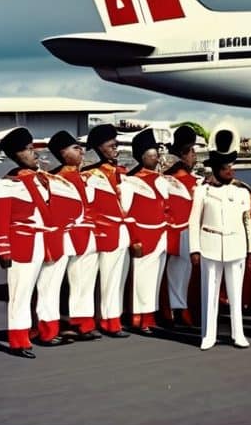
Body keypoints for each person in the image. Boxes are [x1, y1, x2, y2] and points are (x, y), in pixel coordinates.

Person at [0, 127, 68, 358]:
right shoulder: (8, 183)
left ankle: (48, 331)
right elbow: (0, 219)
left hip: (50, 240)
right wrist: (4, 249)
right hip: (23, 242)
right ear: (16, 155)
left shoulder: (44, 179)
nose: (34, 153)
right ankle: (19, 340)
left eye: (32, 148)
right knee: (20, 293)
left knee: (50, 289)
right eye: (27, 150)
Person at [189, 127, 251, 350]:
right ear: (217, 169)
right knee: (209, 292)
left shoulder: (242, 192)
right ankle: (208, 335)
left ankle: (238, 334)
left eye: (232, 167)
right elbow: (193, 221)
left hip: (236, 245)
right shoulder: (202, 191)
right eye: (226, 168)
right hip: (209, 244)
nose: (231, 172)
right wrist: (194, 249)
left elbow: (250, 223)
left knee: (236, 293)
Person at [48, 131, 101, 341]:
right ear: (62, 153)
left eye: (81, 147)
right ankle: (65, 323)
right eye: (75, 148)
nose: (82, 151)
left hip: (89, 235)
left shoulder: (86, 176)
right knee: (66, 283)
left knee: (86, 282)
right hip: (69, 236)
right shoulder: (56, 179)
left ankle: (84, 323)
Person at [82, 124, 131, 338]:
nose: (115, 146)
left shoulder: (118, 171)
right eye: (111, 143)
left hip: (121, 233)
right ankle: (99, 321)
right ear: (99, 147)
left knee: (116, 280)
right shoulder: (90, 174)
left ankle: (113, 319)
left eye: (116, 142)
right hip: (102, 233)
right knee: (97, 280)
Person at [121, 128, 170, 334]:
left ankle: (150, 316)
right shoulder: (130, 181)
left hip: (161, 235)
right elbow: (126, 212)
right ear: (142, 157)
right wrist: (135, 239)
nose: (156, 158)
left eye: (156, 154)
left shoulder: (161, 179)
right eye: (151, 154)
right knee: (142, 279)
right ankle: (138, 318)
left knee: (155, 279)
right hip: (143, 235)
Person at [161, 125, 202, 327]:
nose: (195, 156)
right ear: (185, 153)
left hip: (181, 227)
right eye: (192, 151)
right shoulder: (182, 179)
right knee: (179, 270)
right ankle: (177, 309)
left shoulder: (169, 175)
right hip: (181, 228)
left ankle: (177, 308)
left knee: (180, 271)